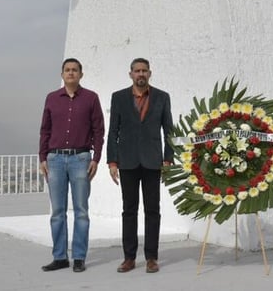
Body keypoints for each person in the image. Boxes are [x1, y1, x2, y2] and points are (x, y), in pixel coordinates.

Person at [106, 58, 175, 274]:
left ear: (150, 73)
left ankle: (152, 258)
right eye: (137, 71)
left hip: (153, 161)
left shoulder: (162, 97)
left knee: (153, 210)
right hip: (127, 162)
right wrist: (112, 161)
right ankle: (129, 257)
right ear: (131, 74)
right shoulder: (118, 98)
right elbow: (113, 132)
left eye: (144, 70)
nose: (141, 74)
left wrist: (168, 159)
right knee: (129, 210)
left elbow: (169, 130)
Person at [38, 57, 105, 273]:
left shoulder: (91, 98)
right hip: (55, 159)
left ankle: (78, 257)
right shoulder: (51, 98)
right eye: (67, 70)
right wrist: (42, 158)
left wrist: (96, 158)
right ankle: (59, 257)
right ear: (62, 74)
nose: (71, 73)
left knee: (81, 211)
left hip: (81, 159)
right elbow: (45, 130)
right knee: (57, 211)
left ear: (81, 74)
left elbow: (99, 131)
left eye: (75, 70)